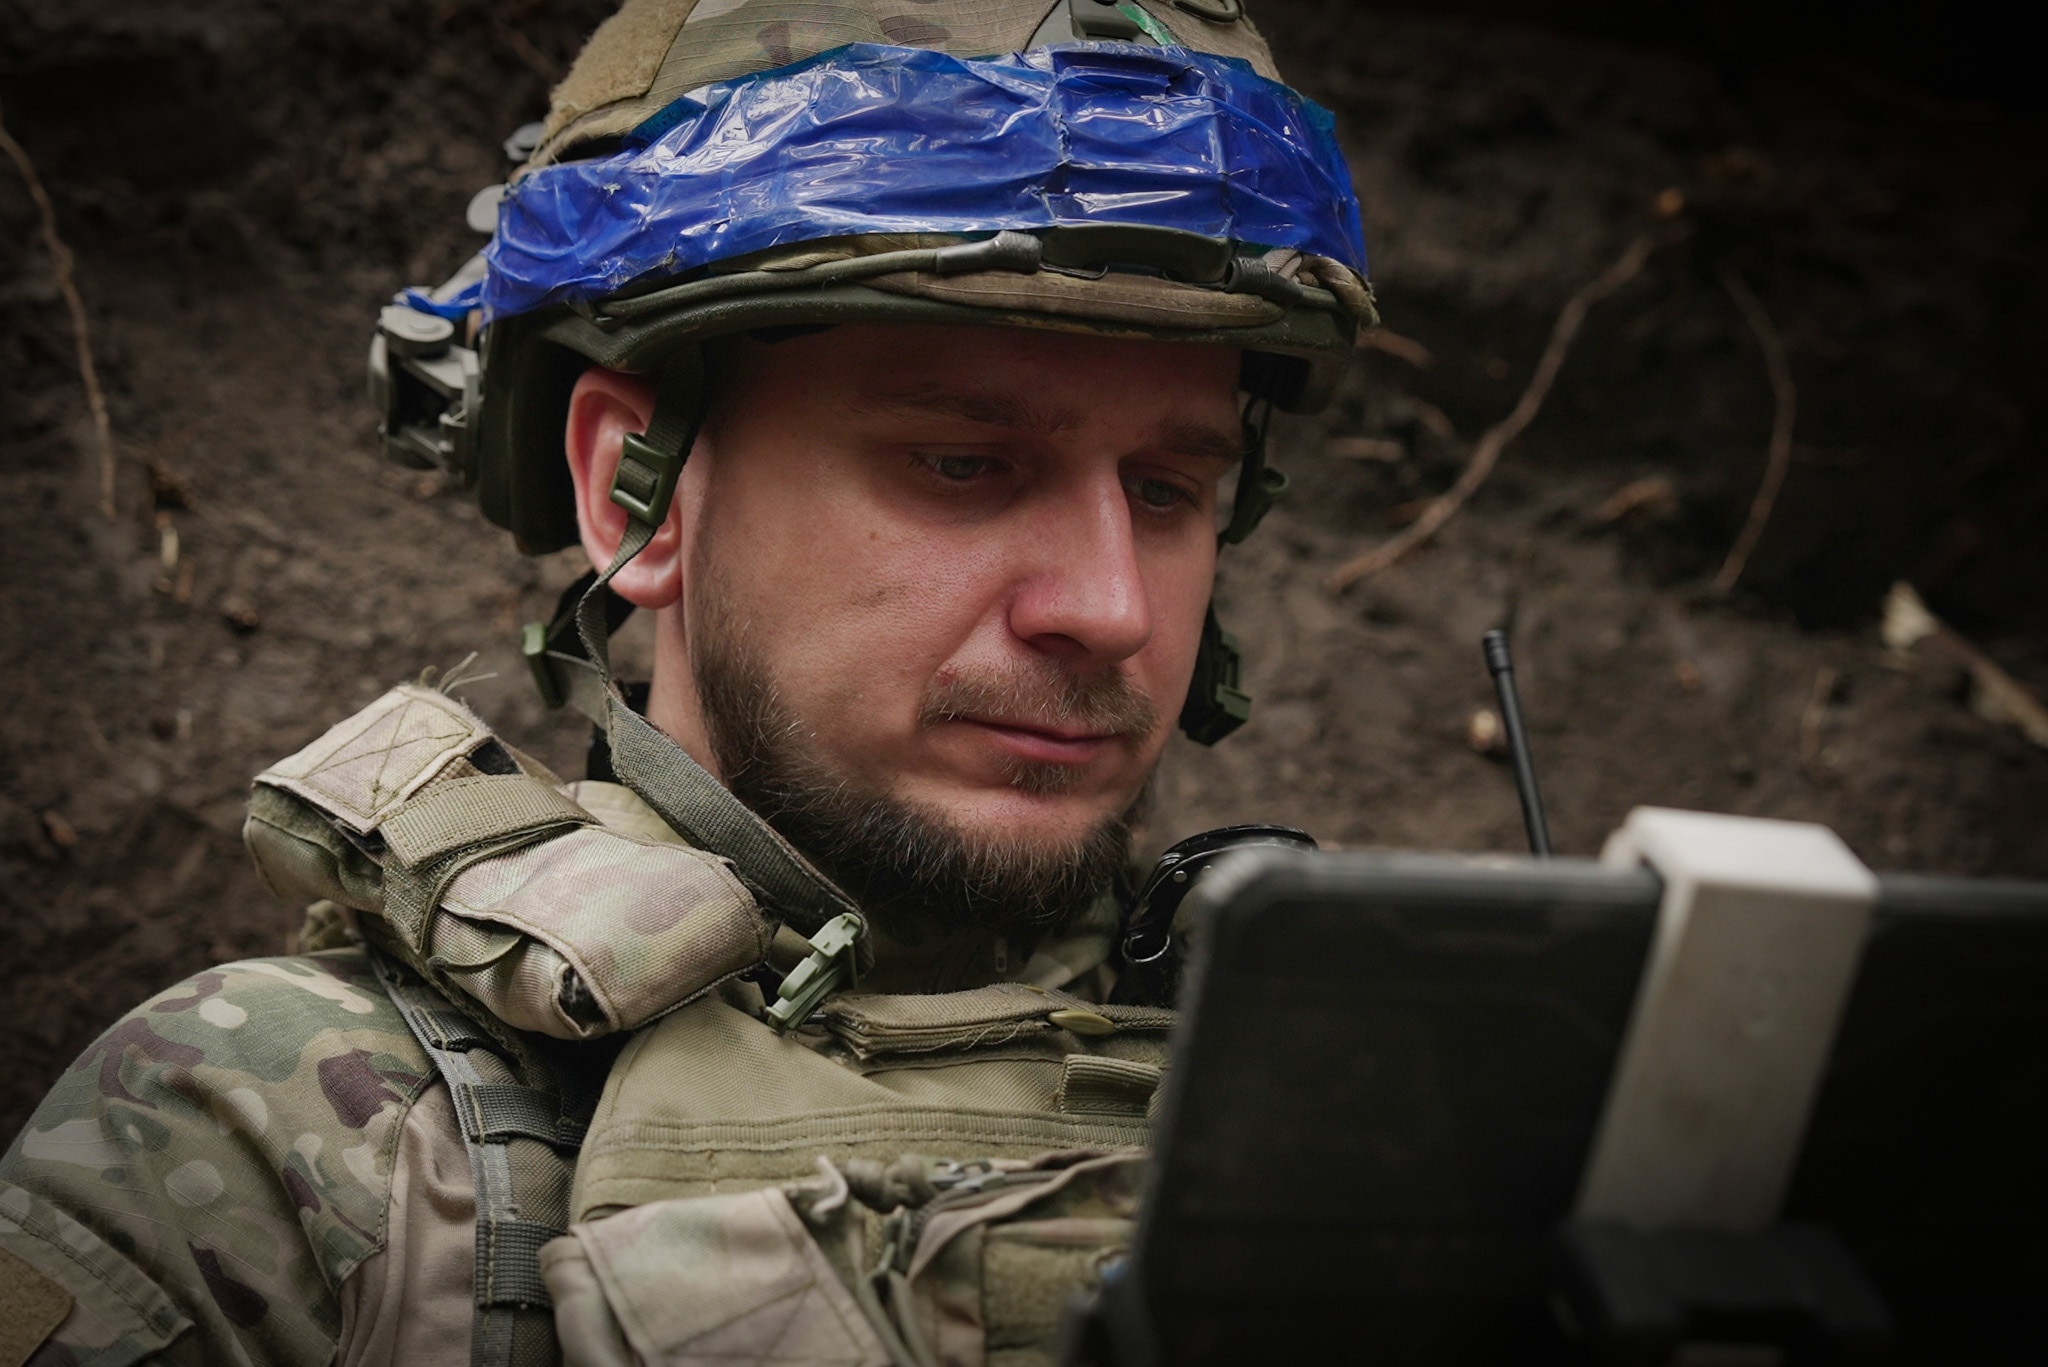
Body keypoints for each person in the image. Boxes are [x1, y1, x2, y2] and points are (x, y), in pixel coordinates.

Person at [0, 2, 1374, 1362]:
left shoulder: (1377, 1099)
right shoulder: (296, 1151)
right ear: (634, 497)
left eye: (1169, 487)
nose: (1109, 607)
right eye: (965, 466)